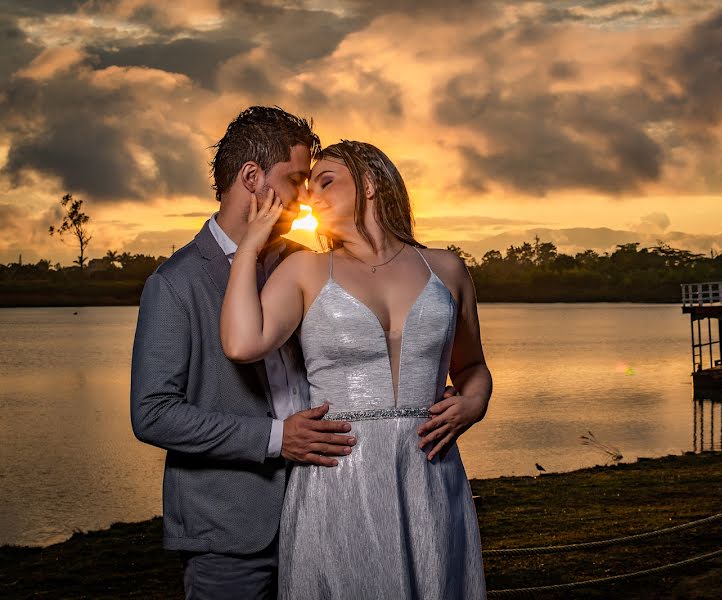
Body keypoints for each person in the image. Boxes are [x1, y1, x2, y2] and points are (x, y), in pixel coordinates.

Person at [220, 140, 492, 598]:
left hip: (429, 472)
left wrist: (474, 404)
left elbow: (474, 368)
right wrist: (250, 246)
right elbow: (242, 343)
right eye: (307, 188)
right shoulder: (304, 270)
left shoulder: (446, 269)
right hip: (338, 473)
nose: (311, 197)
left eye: (326, 182)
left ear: (369, 182)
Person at [130, 106, 360, 599]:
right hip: (229, 532)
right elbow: (153, 415)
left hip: (323, 508)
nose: (305, 197)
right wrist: (277, 438)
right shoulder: (175, 284)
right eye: (296, 179)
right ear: (251, 177)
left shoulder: (301, 266)